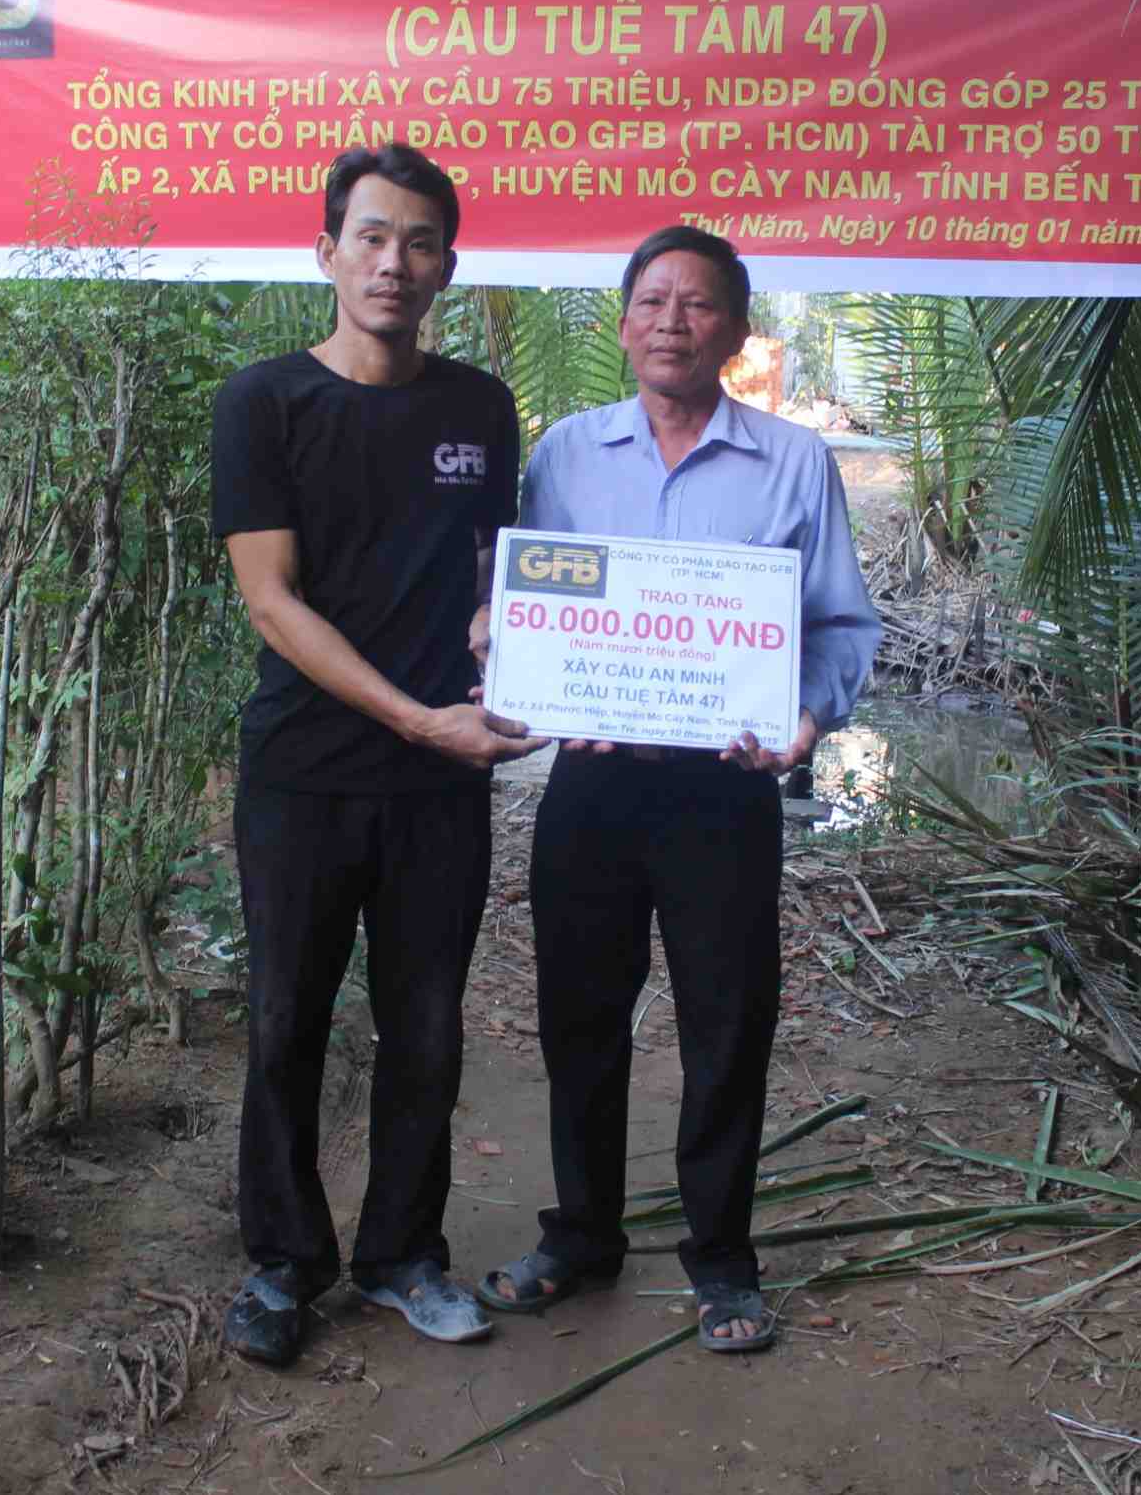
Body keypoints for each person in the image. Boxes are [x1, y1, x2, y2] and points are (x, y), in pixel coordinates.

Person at [475, 226, 880, 1352]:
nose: (672, 322)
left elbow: (842, 624)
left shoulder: (794, 462)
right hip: (593, 787)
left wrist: (807, 720)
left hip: (724, 794)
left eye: (697, 304)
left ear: (736, 331)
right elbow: (527, 601)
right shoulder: (565, 453)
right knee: (579, 1017)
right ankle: (581, 1234)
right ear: (622, 324)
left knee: (726, 1021)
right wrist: (515, 662)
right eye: (651, 301)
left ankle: (723, 1260)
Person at [210, 143, 547, 1367]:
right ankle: (283, 1261)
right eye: (370, 236)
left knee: (427, 1027)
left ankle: (403, 1252)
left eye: (418, 242)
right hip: (305, 771)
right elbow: (271, 599)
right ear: (327, 252)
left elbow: (492, 569)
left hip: (439, 785)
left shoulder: (479, 408)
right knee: (284, 1020)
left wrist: (499, 630)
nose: (392, 262)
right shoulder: (264, 403)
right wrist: (413, 715)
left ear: (445, 266)